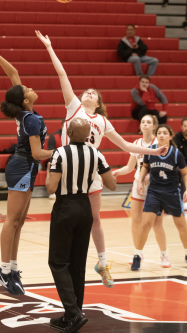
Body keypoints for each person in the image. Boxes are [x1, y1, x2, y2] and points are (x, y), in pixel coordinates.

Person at [37, 30, 168, 289]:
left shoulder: (102, 121)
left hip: (91, 171)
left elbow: (126, 144)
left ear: (97, 103)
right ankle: (63, 260)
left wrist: (153, 152)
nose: (87, 93)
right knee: (65, 215)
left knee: (96, 218)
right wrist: (50, 48)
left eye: (92, 93)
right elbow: (62, 75)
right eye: (85, 91)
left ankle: (102, 262)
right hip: (68, 166)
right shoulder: (72, 106)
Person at [0, 49, 52, 296]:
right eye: (27, 89)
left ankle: (13, 269)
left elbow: (14, 73)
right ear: (25, 101)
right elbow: (39, 154)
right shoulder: (31, 120)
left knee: (18, 222)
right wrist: (68, 151)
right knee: (12, 221)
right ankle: (4, 271)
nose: (30, 88)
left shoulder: (25, 111)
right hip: (23, 166)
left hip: (26, 167)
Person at [46, 118, 116, 333]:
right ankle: (72, 315)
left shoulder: (59, 153)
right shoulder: (96, 154)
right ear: (87, 136)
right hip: (85, 208)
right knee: (77, 264)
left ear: (69, 131)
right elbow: (112, 184)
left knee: (58, 263)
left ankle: (74, 313)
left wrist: (51, 171)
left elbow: (50, 187)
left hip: (65, 208)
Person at [135, 124, 187, 270]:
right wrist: (140, 182)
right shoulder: (150, 151)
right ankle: (137, 256)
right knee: (146, 224)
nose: (162, 135)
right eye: (159, 133)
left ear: (170, 136)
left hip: (172, 192)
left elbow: (185, 174)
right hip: (154, 192)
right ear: (156, 135)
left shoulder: (177, 154)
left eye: (165, 133)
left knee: (181, 225)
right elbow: (145, 166)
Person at [112, 114, 158, 266]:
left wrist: (151, 173)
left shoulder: (158, 142)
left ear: (154, 126)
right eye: (143, 122)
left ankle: (163, 253)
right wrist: (118, 172)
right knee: (135, 220)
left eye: (148, 122)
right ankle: (138, 252)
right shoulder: (136, 143)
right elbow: (130, 167)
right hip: (138, 184)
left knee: (156, 222)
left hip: (155, 185)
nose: (145, 124)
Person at [44, 119, 64, 199]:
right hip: (56, 160)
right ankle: (53, 189)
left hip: (68, 160)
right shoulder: (54, 136)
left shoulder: (73, 136)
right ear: (62, 126)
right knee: (51, 163)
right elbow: (51, 153)